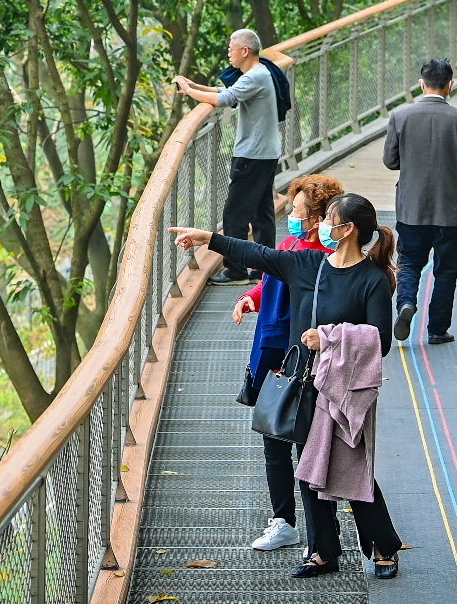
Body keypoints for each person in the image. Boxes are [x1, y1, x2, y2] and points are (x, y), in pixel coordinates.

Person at [172, 194, 403, 580]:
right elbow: (258, 254)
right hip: (303, 383)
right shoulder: (307, 265)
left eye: (330, 219)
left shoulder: (372, 281)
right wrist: (208, 238)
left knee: (350, 466)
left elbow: (381, 340)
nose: (321, 226)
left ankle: (383, 544)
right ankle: (323, 551)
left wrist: (328, 338)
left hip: (345, 390)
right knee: (309, 467)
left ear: (348, 230)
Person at [232, 175, 339, 553]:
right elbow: (268, 278)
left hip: (305, 356)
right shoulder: (289, 243)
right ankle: (283, 521)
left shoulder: (325, 259)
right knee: (273, 435)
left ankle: (320, 527)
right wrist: (251, 298)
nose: (291, 217)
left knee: (306, 441)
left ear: (316, 218)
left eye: (296, 211)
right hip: (274, 350)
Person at [384, 59, 457, 347]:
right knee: (446, 270)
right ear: (450, 84)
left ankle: (405, 304)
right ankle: (438, 329)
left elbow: (390, 161)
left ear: (421, 84)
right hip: (450, 210)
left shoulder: (400, 117)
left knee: (410, 262)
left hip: (412, 208)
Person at [174, 30, 280, 283]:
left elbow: (225, 98)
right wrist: (194, 86)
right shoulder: (259, 74)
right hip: (265, 153)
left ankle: (236, 269)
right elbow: (228, 90)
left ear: (245, 51)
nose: (229, 53)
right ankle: (264, 267)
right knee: (262, 214)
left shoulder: (255, 75)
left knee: (235, 215)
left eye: (232, 48)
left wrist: (189, 92)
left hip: (252, 155)